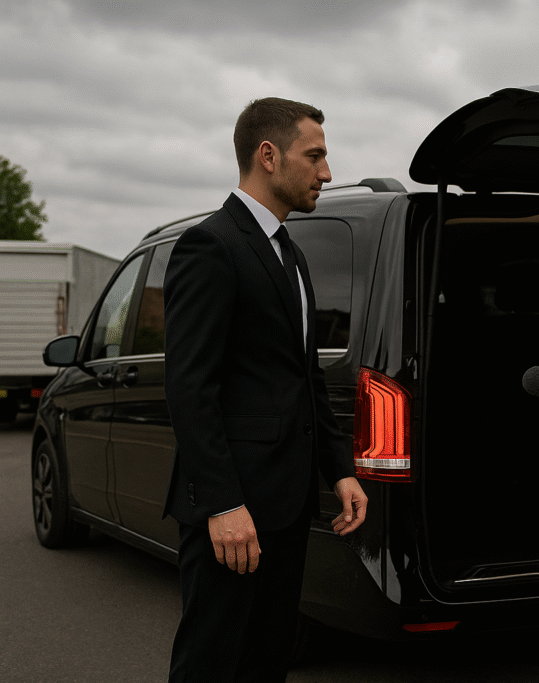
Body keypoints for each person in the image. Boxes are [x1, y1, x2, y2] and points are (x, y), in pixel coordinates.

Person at [162, 97, 368, 682]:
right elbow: (190, 385)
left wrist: (339, 469)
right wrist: (223, 504)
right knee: (213, 661)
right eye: (316, 155)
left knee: (268, 658)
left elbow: (304, 377)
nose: (327, 172)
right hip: (234, 511)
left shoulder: (291, 254)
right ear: (268, 155)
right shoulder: (211, 246)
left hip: (285, 503)